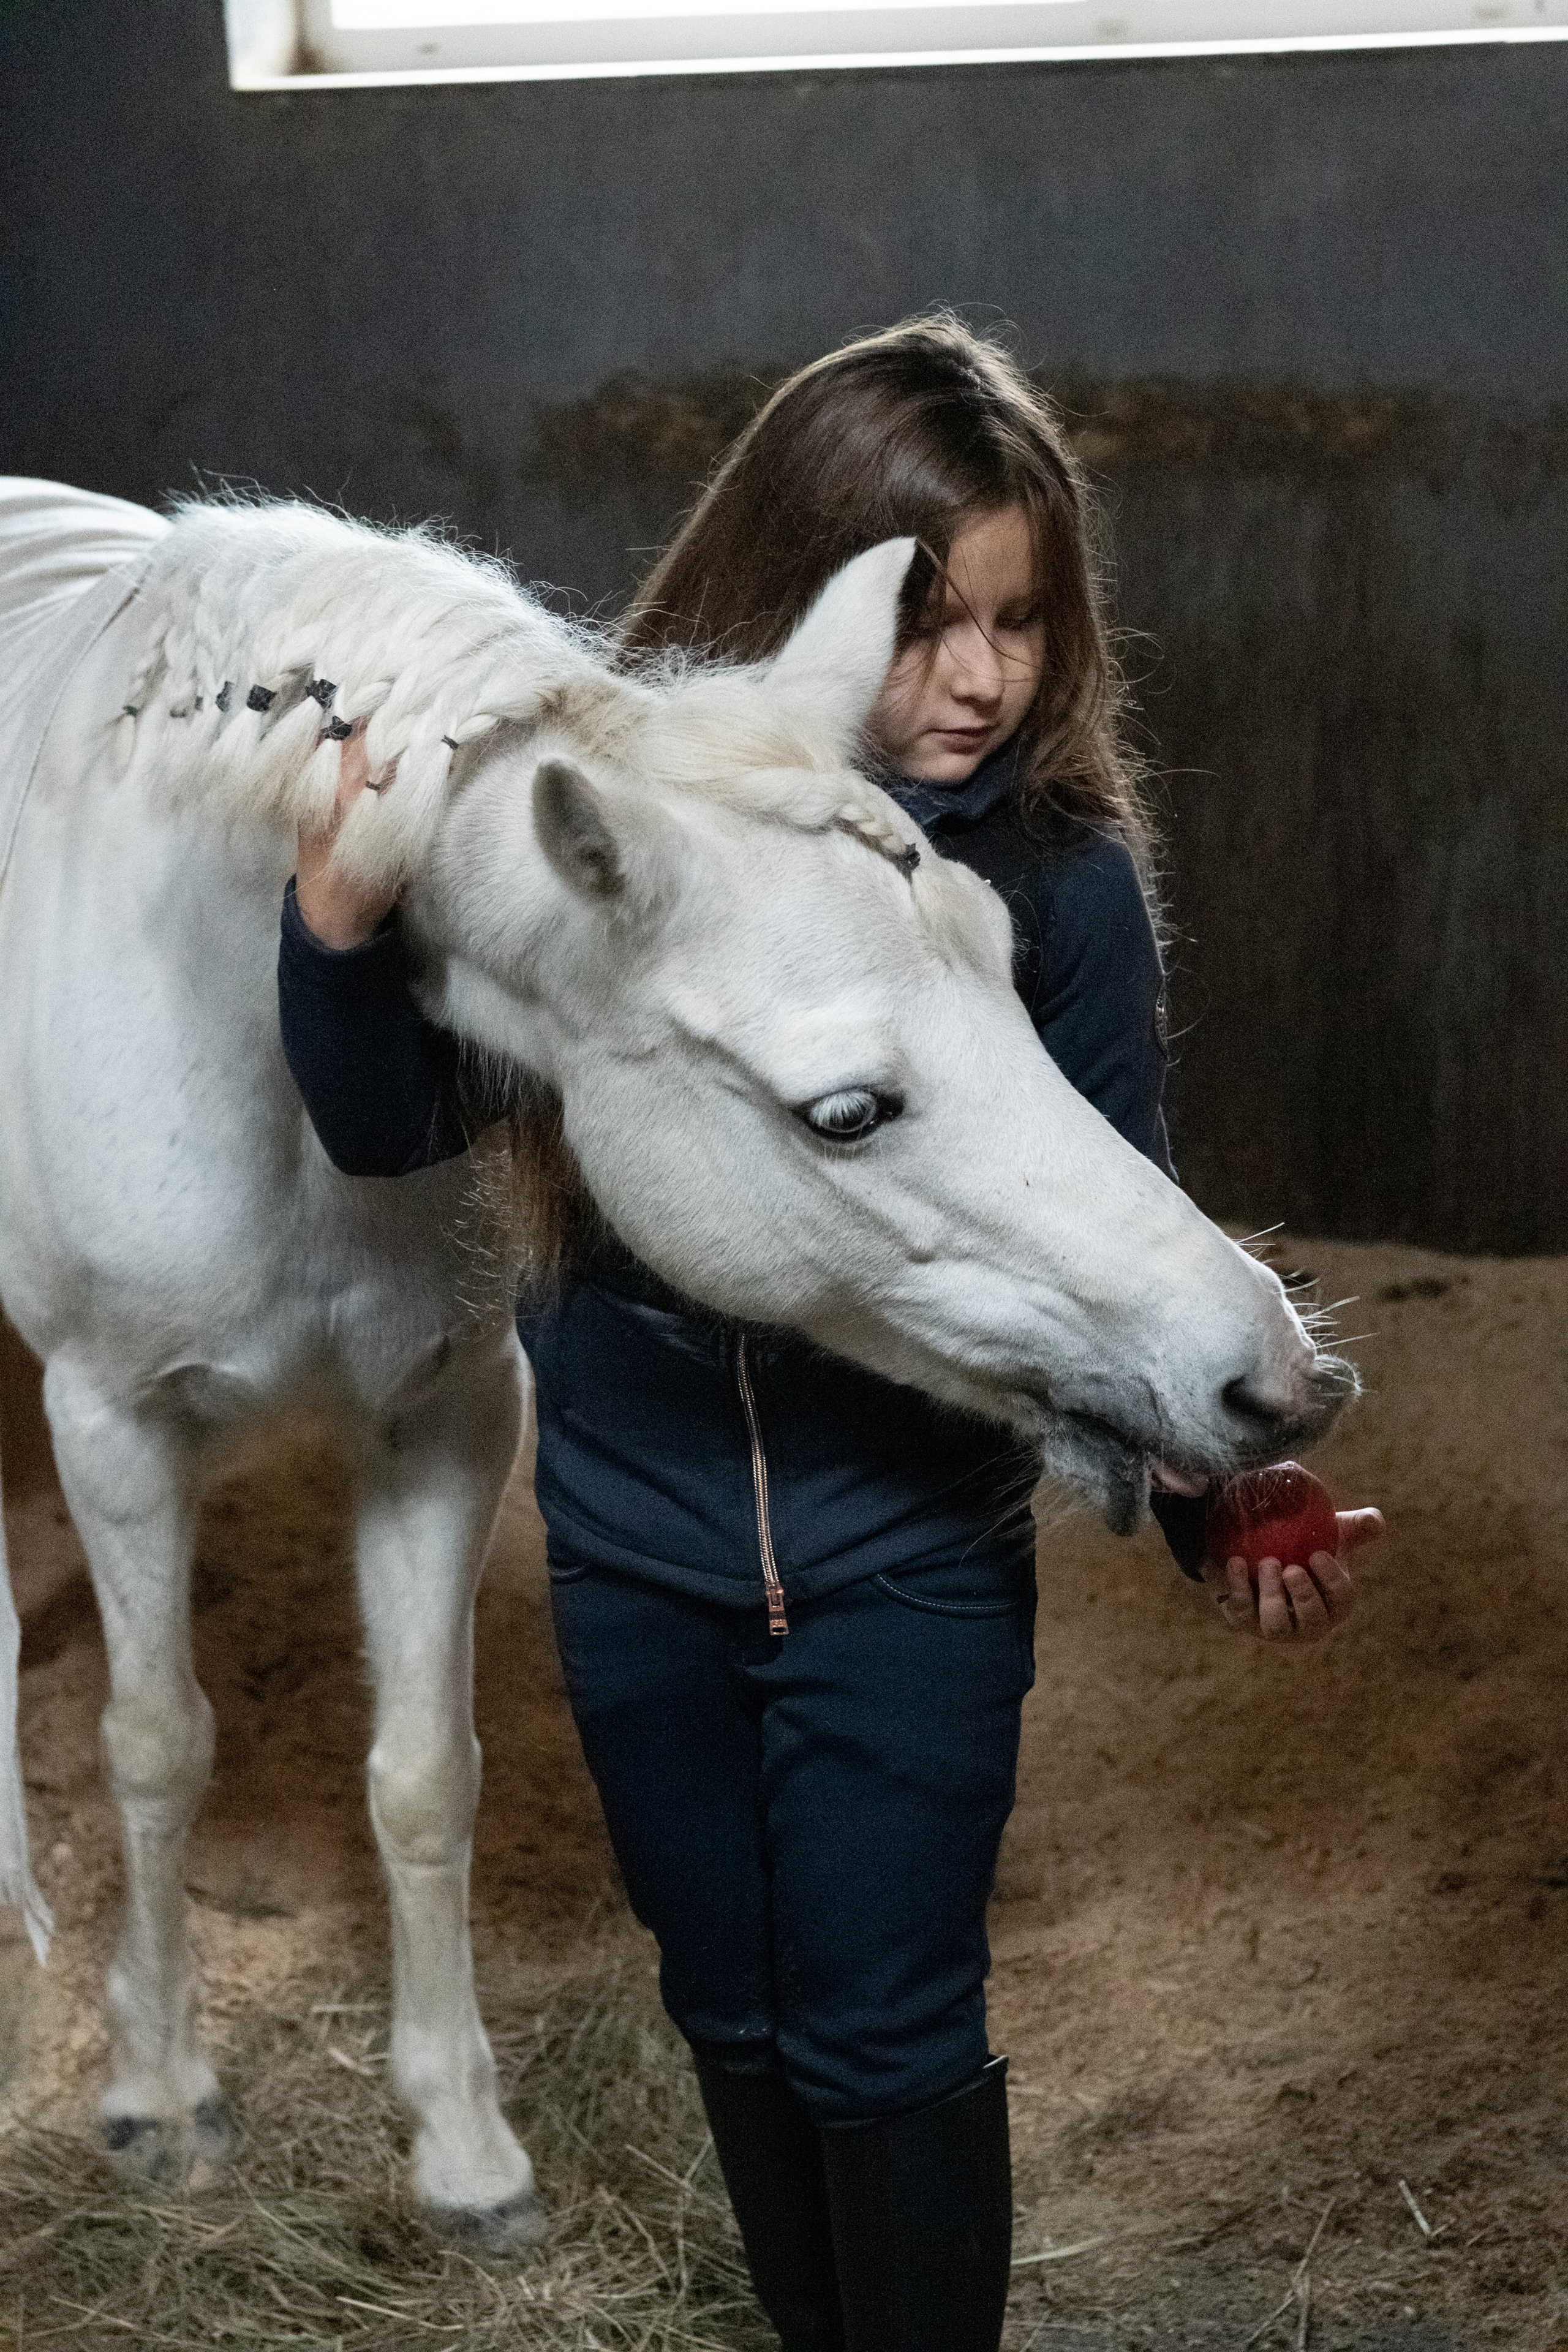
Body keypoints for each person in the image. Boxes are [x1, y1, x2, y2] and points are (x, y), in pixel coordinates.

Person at [276, 316, 1383, 2352]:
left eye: (1023, 625)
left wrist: (1218, 1473)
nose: (978, 678)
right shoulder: (624, 863)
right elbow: (389, 1124)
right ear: (796, 605)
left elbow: (1105, 1224)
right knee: (730, 1996)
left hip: (904, 1563)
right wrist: (336, 937)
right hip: (639, 1548)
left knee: (882, 2021)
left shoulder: (1056, 889)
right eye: (926, 623)